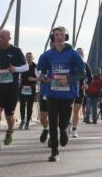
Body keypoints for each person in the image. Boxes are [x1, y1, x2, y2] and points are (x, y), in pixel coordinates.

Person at [37, 27, 86, 161]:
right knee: (53, 121)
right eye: (57, 35)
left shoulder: (73, 54)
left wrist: (69, 80)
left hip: (67, 94)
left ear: (65, 37)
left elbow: (82, 72)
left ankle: (63, 130)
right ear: (53, 37)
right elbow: (40, 71)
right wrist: (43, 77)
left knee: (63, 122)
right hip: (52, 93)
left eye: (62, 35)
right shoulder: (46, 55)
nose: (59, 37)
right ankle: (54, 152)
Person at [0, 29, 28, 150]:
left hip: (12, 88)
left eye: (3, 37)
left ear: (9, 39)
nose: (0, 39)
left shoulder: (16, 51)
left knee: (9, 116)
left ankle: (10, 129)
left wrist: (15, 69)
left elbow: (26, 67)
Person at [70, 46, 92, 138]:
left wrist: (86, 84)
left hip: (80, 90)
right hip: (70, 89)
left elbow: (90, 78)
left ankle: (74, 129)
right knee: (68, 109)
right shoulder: (70, 64)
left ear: (83, 54)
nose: (79, 54)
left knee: (76, 109)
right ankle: (68, 123)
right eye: (77, 52)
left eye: (81, 53)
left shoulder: (85, 65)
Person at [19, 51, 39, 129]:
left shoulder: (35, 66)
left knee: (30, 106)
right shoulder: (23, 66)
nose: (28, 58)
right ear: (25, 58)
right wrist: (19, 78)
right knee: (22, 105)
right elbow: (18, 74)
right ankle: (22, 120)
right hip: (23, 87)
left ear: (33, 58)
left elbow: (40, 77)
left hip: (31, 87)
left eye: (30, 57)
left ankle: (27, 121)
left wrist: (33, 79)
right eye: (27, 57)